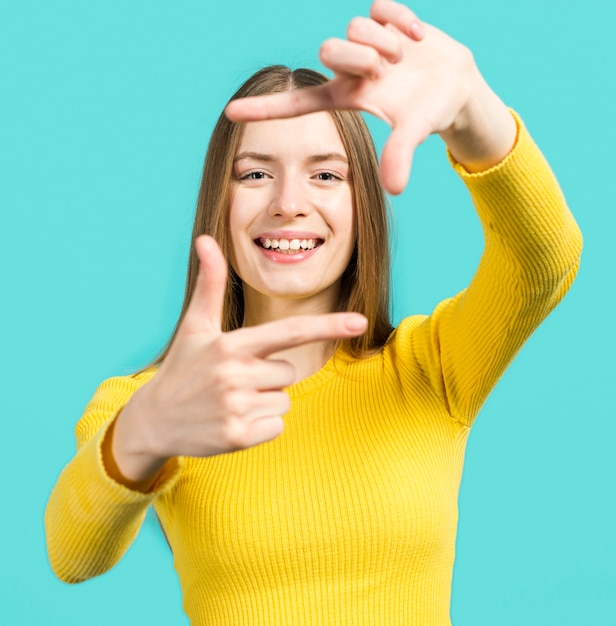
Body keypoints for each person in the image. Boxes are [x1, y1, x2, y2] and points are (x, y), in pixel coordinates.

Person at [45, 1, 583, 624]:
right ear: (218, 201)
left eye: (326, 174)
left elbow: (545, 260)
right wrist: (143, 433)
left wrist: (473, 111)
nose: (288, 203)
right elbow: (72, 553)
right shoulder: (159, 400)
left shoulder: (431, 368)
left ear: (365, 210)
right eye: (254, 174)